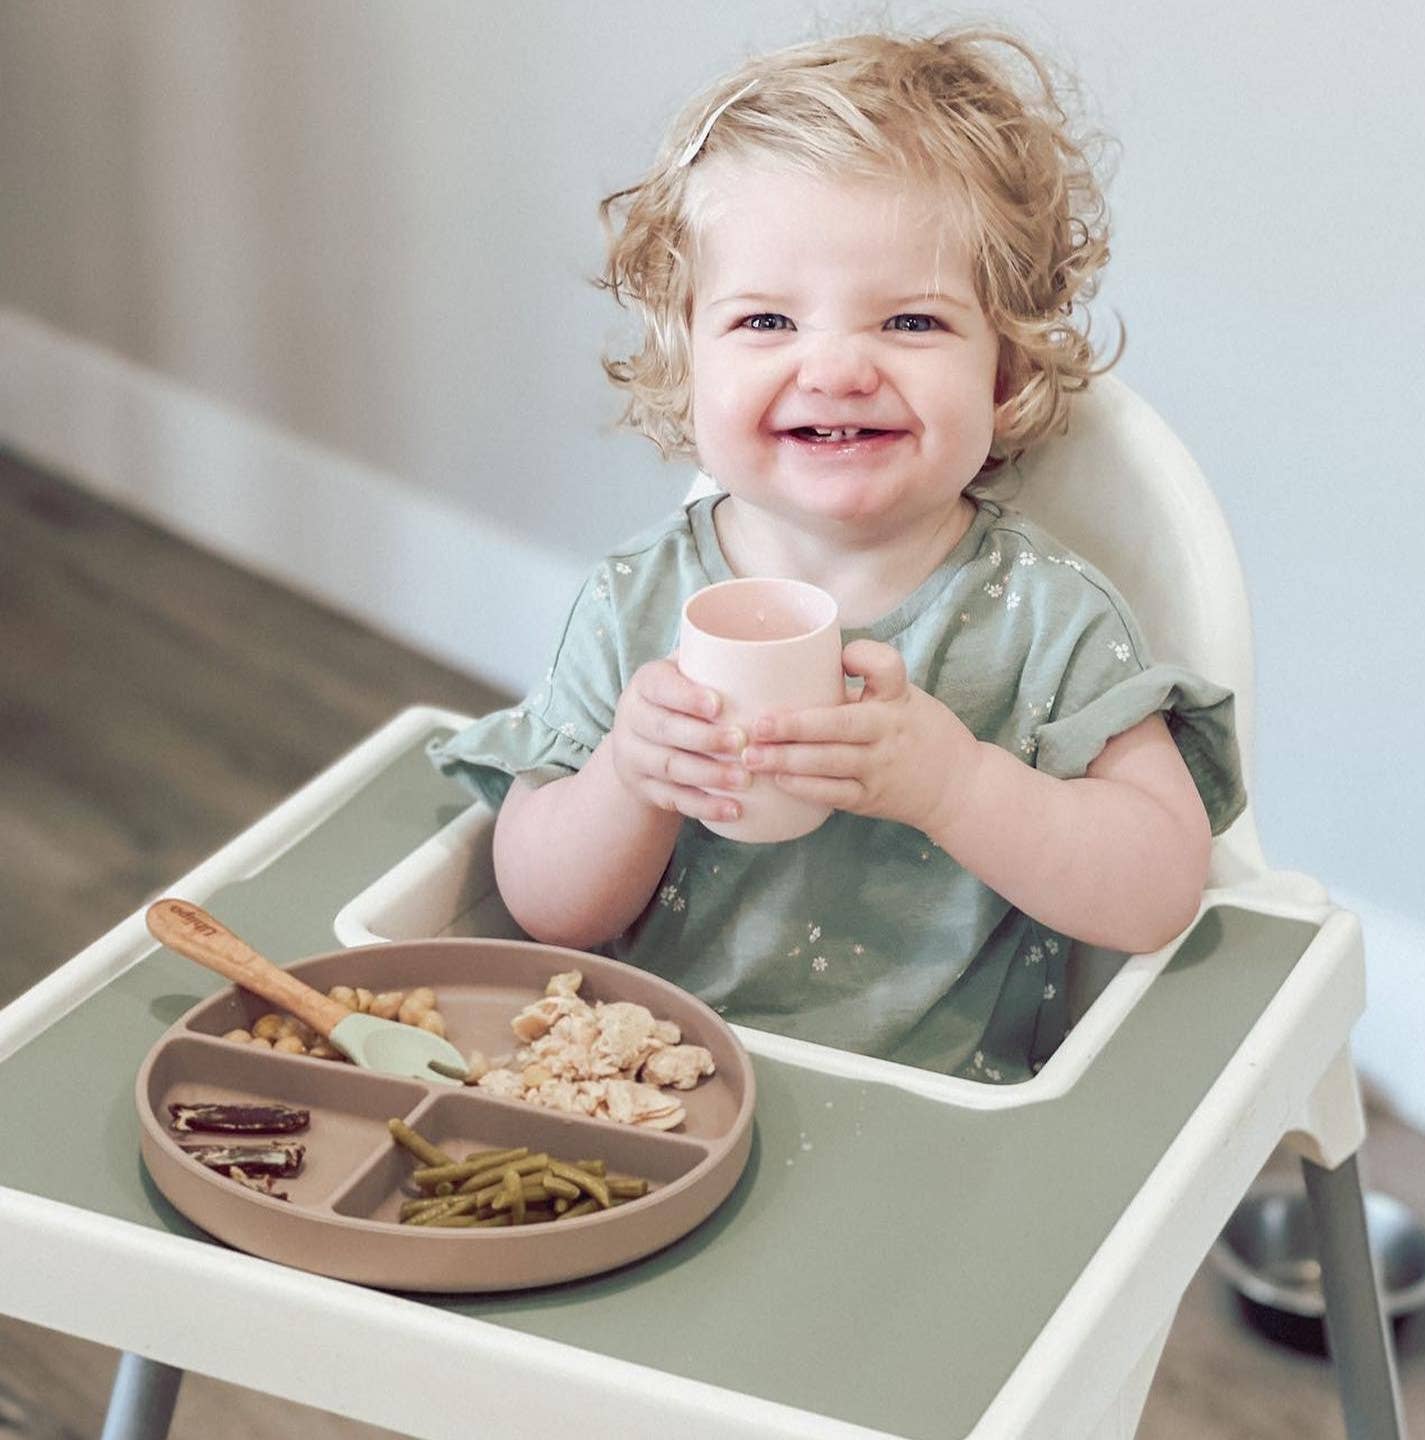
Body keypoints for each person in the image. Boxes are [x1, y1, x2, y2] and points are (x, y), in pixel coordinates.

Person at [431, 28, 1246, 1082]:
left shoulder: (1049, 619)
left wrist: (955, 786)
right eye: (767, 319)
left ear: (1005, 371)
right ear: (689, 360)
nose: (837, 366)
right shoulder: (637, 600)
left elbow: (1159, 889)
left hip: (941, 1120)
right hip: (652, 1094)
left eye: (910, 320)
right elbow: (547, 908)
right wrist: (627, 780)